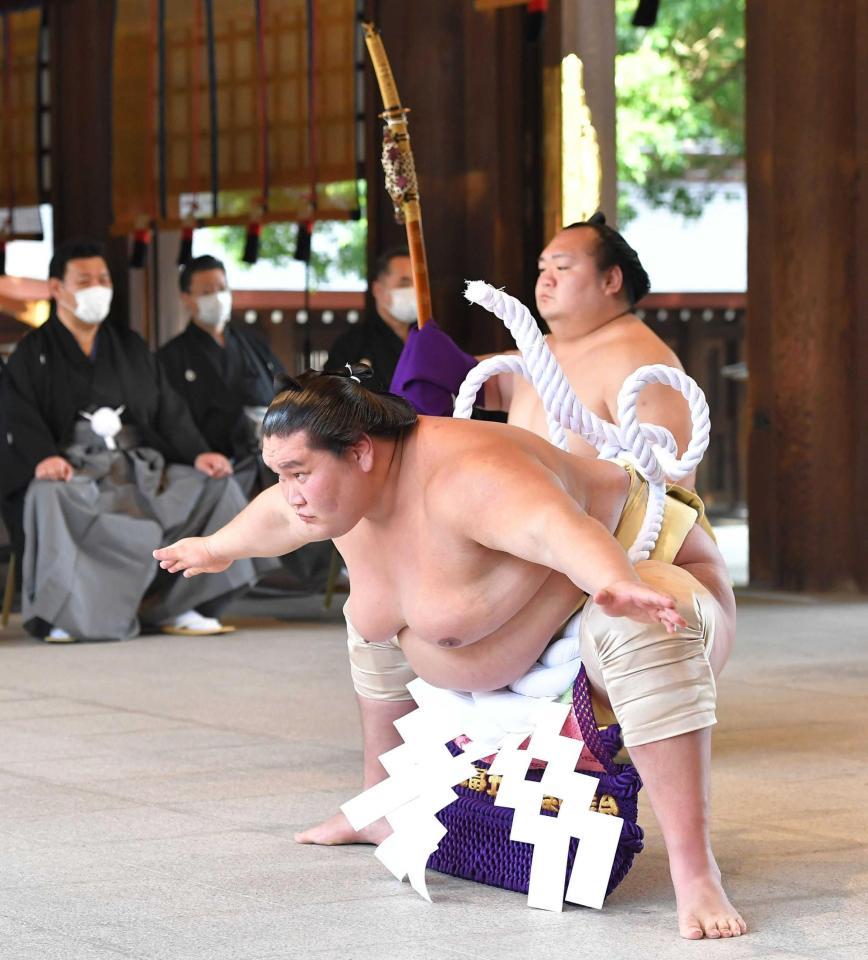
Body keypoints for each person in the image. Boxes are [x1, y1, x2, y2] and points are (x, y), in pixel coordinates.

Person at [155, 370, 745, 940]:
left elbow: (556, 529)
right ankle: (377, 806)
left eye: (298, 473)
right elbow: (277, 515)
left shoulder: (470, 475)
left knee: (637, 627)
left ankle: (695, 872)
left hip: (642, 565)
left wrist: (614, 581)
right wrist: (214, 548)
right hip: (526, 627)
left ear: (361, 450)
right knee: (371, 617)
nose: (292, 494)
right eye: (280, 474)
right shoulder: (336, 498)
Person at [0, 237, 272, 642]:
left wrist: (198, 453)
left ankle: (181, 605)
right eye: (85, 279)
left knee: (215, 487)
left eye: (103, 278)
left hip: (138, 468)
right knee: (46, 496)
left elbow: (167, 408)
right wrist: (42, 457)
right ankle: (69, 613)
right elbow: (15, 413)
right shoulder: (33, 351)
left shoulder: (128, 346)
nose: (98, 286)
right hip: (74, 471)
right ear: (57, 289)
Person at [158, 255, 285, 494]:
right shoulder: (171, 357)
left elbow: (285, 391)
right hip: (215, 471)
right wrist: (199, 453)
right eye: (206, 291)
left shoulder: (253, 344)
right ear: (186, 299)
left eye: (222, 288)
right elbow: (172, 418)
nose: (217, 297)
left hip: (270, 464)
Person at [325, 246, 415, 389]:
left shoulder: (430, 341)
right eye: (404, 283)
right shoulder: (352, 345)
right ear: (378, 290)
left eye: (417, 284)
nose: (413, 291)